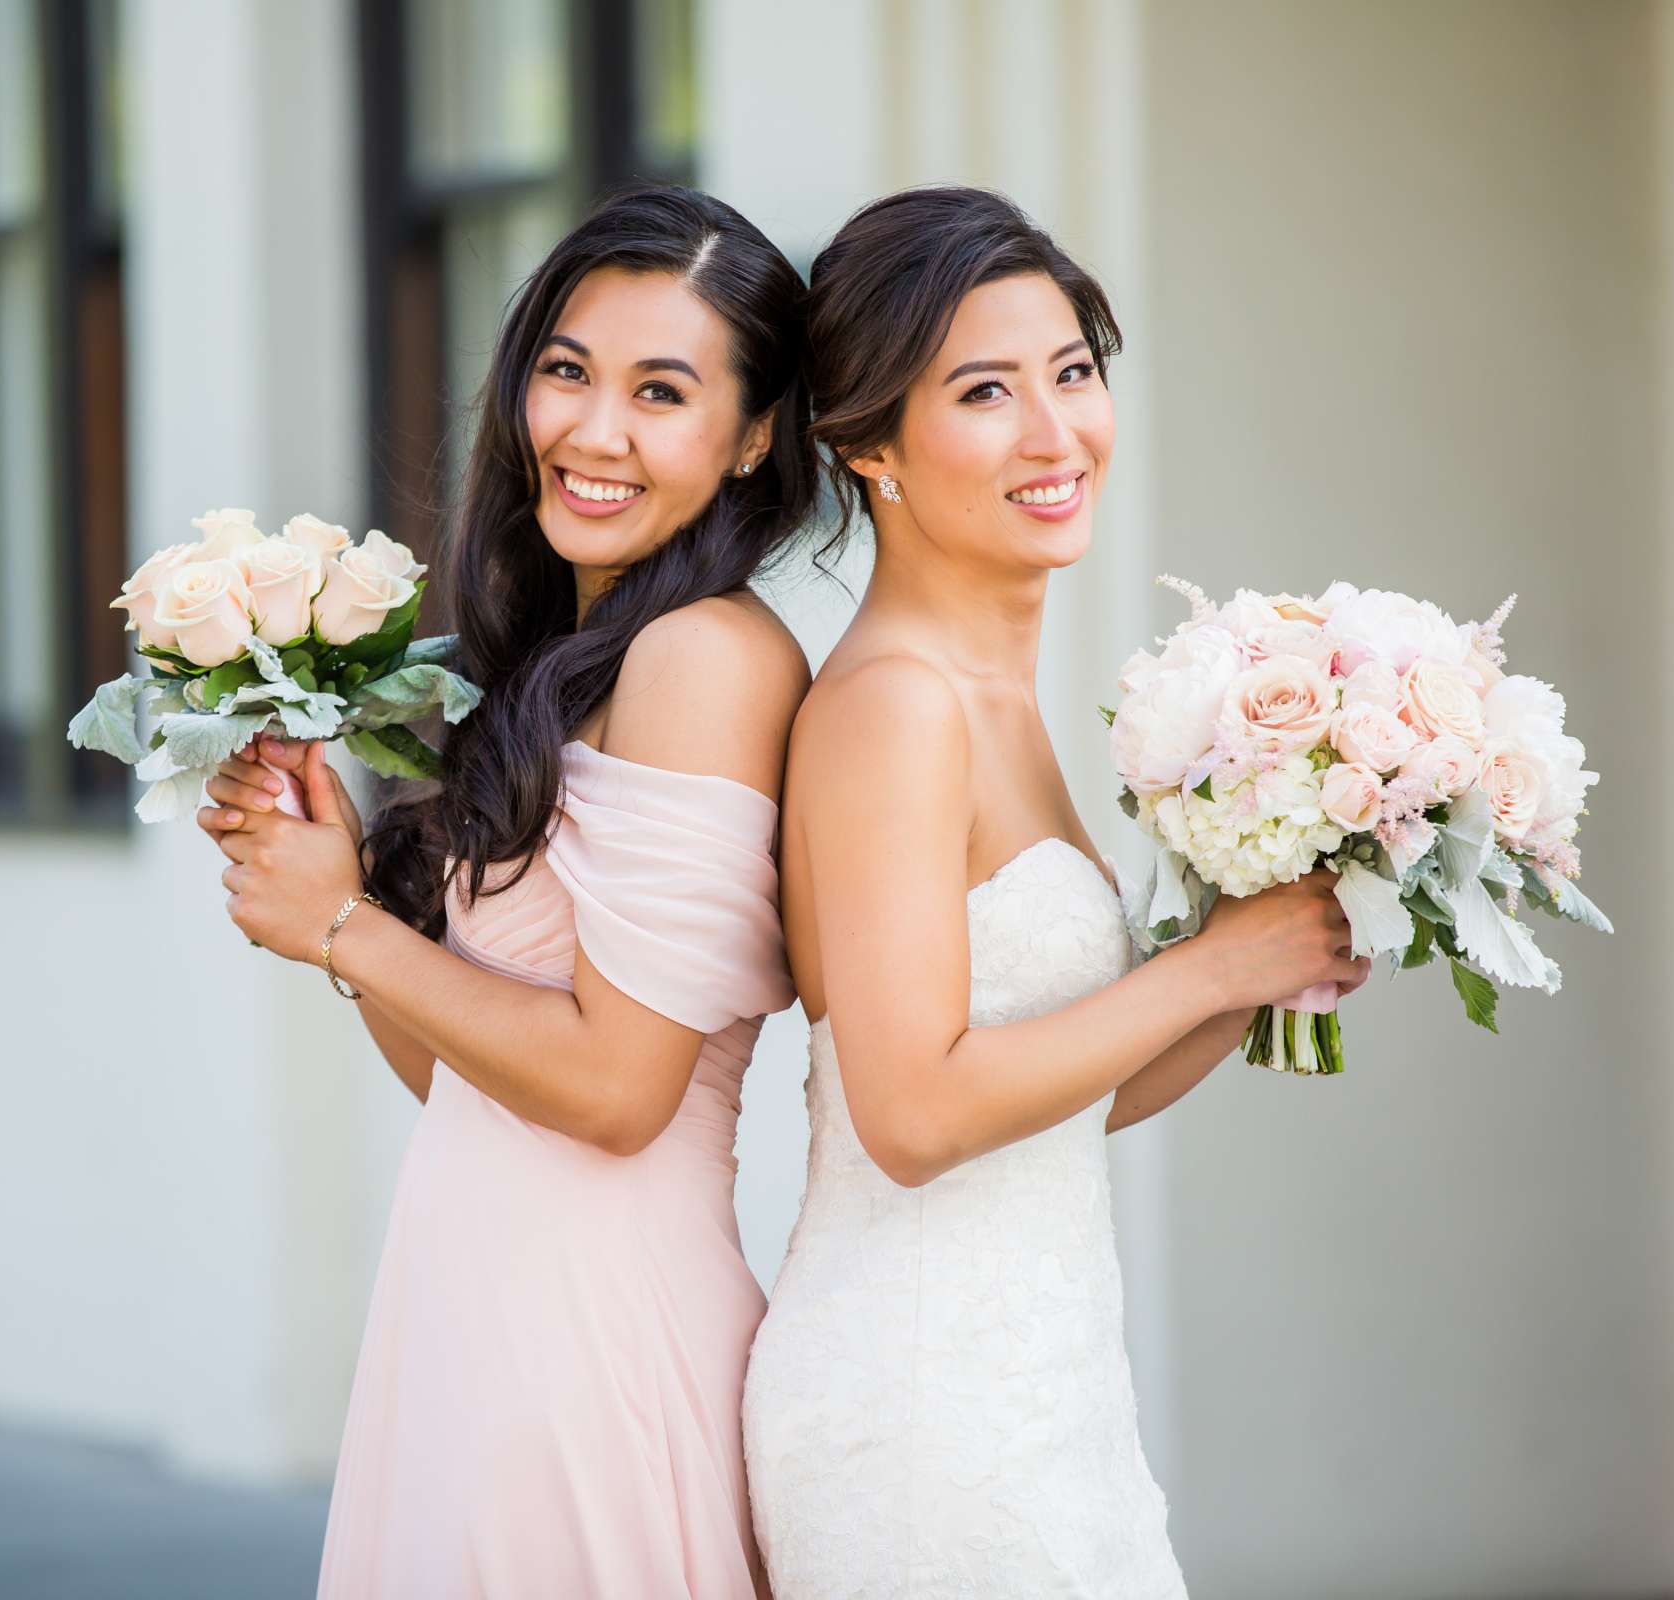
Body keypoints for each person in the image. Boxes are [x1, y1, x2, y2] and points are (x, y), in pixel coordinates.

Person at [741, 186, 1370, 1597]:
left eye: (1072, 373)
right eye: (983, 393)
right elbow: (910, 1115)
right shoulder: (894, 706)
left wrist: (1269, 964)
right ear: (866, 448)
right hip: (923, 1409)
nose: (1054, 433)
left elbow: (1050, 1100)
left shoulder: (993, 696)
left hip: (1045, 1382)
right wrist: (1207, 970)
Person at [199, 184, 813, 1599]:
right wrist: (349, 898)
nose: (595, 432)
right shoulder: (568, 661)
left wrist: (344, 924)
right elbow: (467, 1081)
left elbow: (617, 1092)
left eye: (663, 392)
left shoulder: (705, 658)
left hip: (596, 1355)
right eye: (566, 370)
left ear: (755, 434)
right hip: (467, 1325)